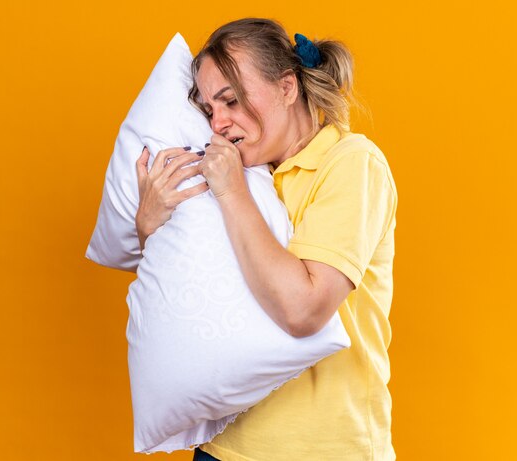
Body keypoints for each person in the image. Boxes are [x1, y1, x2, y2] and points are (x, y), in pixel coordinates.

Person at [135, 18, 398, 461]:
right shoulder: (244, 173)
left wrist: (231, 191)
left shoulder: (352, 164)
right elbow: (183, 298)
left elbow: (304, 310)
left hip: (328, 451)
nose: (218, 123)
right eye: (208, 110)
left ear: (287, 87)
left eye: (231, 100)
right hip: (222, 447)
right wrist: (149, 225)